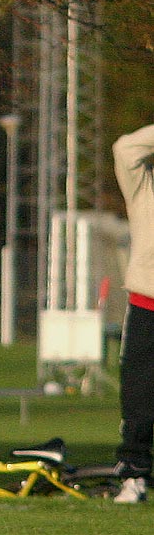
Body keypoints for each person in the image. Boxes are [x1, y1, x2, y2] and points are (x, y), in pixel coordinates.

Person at [111, 124, 154, 504]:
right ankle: (135, 476)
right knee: (139, 398)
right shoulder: (144, 189)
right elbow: (126, 147)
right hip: (147, 305)